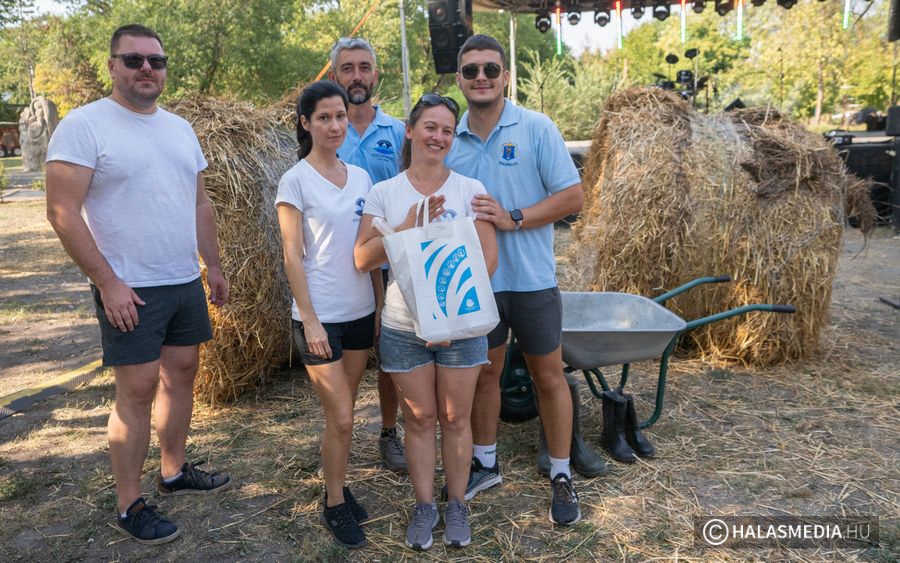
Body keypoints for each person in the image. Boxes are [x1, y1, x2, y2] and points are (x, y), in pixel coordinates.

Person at [45, 24, 231, 545]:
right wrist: (107, 283)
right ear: (112, 66)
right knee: (137, 389)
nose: (147, 69)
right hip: (129, 286)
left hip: (181, 278)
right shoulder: (85, 126)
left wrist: (212, 265)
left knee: (183, 373)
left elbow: (199, 203)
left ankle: (172, 472)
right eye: (133, 60)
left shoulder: (179, 128)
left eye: (156, 60)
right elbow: (61, 211)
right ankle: (130, 505)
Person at [445, 34, 585, 526]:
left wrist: (515, 217)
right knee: (486, 374)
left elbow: (573, 198)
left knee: (549, 375)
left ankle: (562, 473)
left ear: (506, 76)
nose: (480, 77)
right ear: (459, 80)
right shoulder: (450, 138)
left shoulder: (536, 127)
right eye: (470, 71)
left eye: (490, 69)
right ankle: (485, 462)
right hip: (476, 283)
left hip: (531, 281)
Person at [354, 93, 498, 550]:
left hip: (461, 326)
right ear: (410, 132)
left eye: (447, 130)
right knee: (420, 419)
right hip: (402, 325)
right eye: (430, 127)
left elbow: (488, 260)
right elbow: (362, 259)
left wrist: (446, 317)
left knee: (456, 419)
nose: (438, 136)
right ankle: (424, 505)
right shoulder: (385, 193)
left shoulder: (470, 189)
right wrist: (408, 224)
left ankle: (456, 503)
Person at [275, 80, 380, 549]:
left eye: (340, 116)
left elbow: (368, 250)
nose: (335, 125)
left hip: (360, 313)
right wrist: (311, 320)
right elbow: (293, 256)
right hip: (319, 320)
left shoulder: (361, 178)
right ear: (306, 123)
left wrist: (377, 309)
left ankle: (337, 481)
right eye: (324, 118)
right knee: (340, 416)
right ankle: (334, 503)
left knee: (346, 414)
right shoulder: (294, 180)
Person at [328, 37, 409, 473]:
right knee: (337, 358)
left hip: (389, 264)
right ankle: (338, 432)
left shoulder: (397, 133)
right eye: (347, 69)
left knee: (390, 352)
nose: (356, 77)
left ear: (375, 75)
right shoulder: (326, 129)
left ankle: (388, 432)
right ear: (334, 76)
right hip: (335, 267)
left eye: (364, 68)